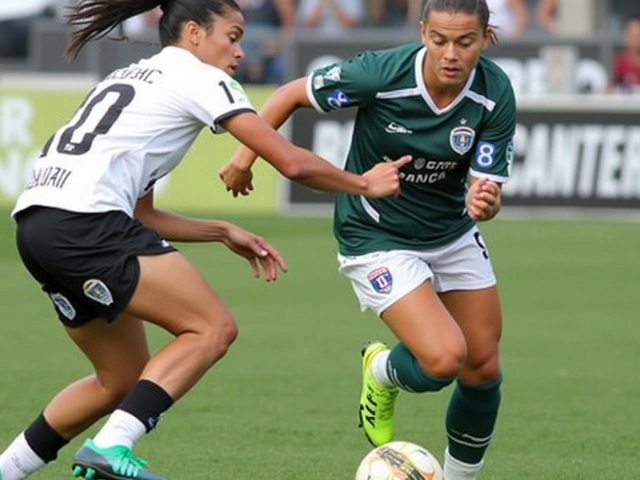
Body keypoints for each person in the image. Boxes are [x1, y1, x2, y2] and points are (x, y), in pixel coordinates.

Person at [0, 0, 412, 479]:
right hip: (85, 223)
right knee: (211, 328)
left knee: (120, 378)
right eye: (231, 36)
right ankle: (111, 445)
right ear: (194, 33)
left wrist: (219, 230)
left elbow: (141, 215)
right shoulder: (198, 77)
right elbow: (291, 162)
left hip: (37, 225)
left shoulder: (128, 76)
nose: (238, 51)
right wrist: (364, 183)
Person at [220, 0, 516, 479]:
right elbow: (289, 95)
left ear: (485, 38)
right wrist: (243, 157)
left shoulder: (495, 92)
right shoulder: (380, 74)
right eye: (439, 39)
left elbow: (487, 187)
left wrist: (487, 202)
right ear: (422, 32)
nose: (451, 54)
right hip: (375, 232)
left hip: (450, 232)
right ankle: (380, 371)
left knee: (482, 369)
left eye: (465, 42)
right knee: (443, 360)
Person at [608, 13, 640, 94]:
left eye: (637, 35)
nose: (634, 39)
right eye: (631, 35)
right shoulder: (619, 62)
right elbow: (609, 90)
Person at [296, 0, 365, 33]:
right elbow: (309, 24)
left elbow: (351, 24)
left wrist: (333, 4)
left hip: (345, 44)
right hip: (316, 44)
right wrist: (321, 4)